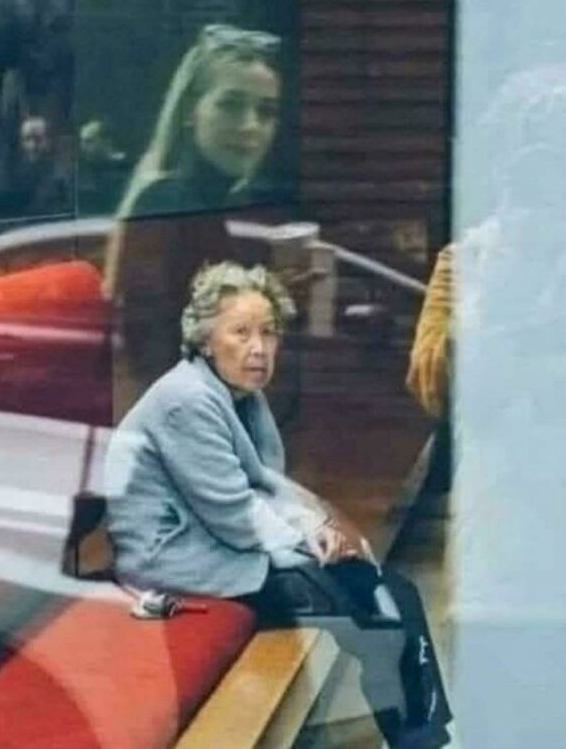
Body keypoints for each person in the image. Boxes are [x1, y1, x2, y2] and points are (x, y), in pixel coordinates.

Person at [104, 261, 452, 748]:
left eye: (268, 333)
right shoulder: (188, 401)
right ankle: (420, 739)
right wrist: (312, 544)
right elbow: (236, 516)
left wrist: (316, 527)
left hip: (219, 541)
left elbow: (264, 484)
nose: (258, 348)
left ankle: (423, 736)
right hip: (179, 560)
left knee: (389, 597)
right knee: (379, 603)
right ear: (205, 340)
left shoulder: (237, 392)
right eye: (240, 332)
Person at [104, 23, 293, 418]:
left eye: (266, 111)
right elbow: (155, 355)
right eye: (231, 105)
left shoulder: (208, 207)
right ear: (192, 110)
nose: (250, 126)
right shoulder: (170, 203)